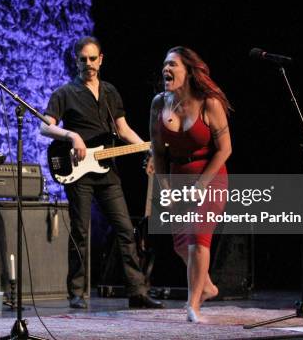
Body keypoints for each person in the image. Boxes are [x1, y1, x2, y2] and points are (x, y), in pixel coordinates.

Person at [41, 36, 163, 309]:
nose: (88, 64)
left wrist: (148, 148)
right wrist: (73, 136)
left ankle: (137, 292)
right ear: (76, 61)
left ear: (101, 59)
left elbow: (122, 129)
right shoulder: (64, 92)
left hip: (108, 172)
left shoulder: (110, 92)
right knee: (81, 233)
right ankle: (77, 292)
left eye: (93, 59)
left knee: (125, 230)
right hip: (78, 172)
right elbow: (45, 127)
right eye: (83, 59)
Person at [149, 46, 232, 323]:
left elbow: (225, 149)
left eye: (172, 64)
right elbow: (158, 152)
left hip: (211, 176)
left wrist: (202, 184)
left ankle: (193, 305)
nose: (166, 69)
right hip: (177, 175)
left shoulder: (209, 102)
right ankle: (206, 286)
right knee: (180, 245)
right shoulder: (159, 104)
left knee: (198, 239)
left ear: (188, 70)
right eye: (164, 64)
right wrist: (164, 188)